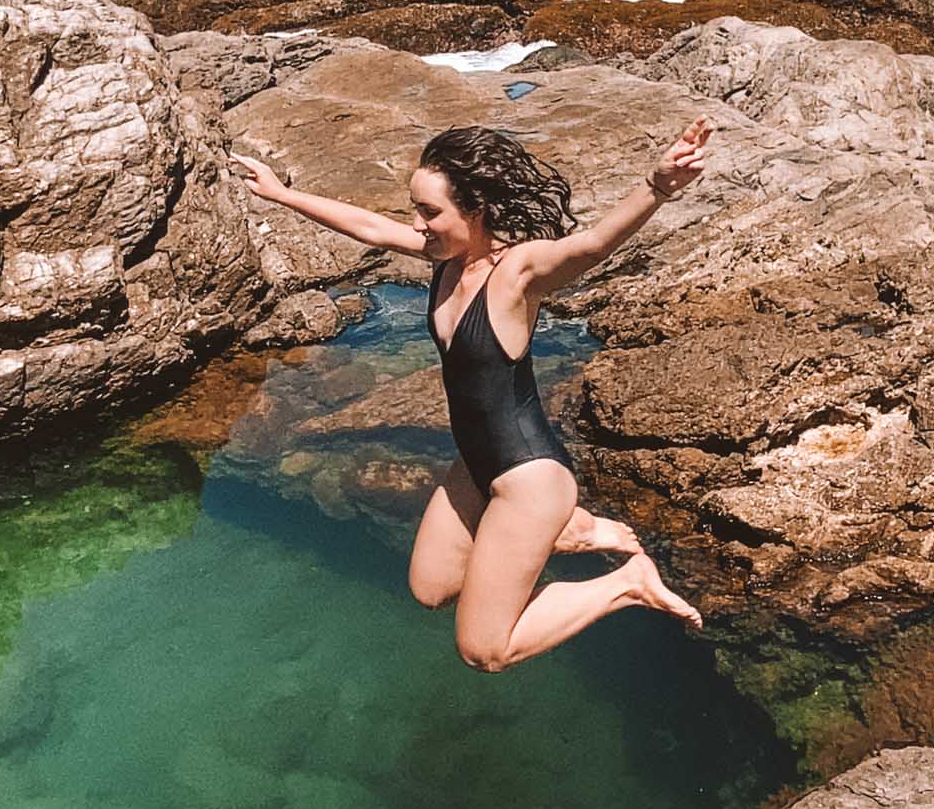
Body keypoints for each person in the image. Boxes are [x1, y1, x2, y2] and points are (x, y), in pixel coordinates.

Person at [231, 116, 711, 671]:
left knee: (484, 651)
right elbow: (369, 227)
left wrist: (655, 186)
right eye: (415, 209)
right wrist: (281, 194)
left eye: (430, 212)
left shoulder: (517, 271)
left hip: (529, 480)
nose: (418, 224)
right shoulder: (444, 258)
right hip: (477, 465)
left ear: (475, 209)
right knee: (430, 589)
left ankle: (627, 582)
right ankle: (573, 530)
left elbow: (592, 246)